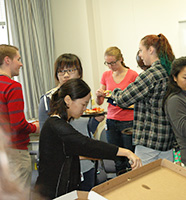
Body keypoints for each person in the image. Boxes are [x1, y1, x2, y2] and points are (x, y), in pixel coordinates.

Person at [34, 78, 141, 199]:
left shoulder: (57, 123)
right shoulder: (57, 126)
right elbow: (86, 144)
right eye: (83, 104)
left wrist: (94, 156)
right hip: (54, 193)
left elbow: (63, 154)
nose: (85, 108)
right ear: (68, 100)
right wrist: (126, 152)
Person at [99, 34, 176, 165]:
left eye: (141, 50)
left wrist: (112, 93)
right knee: (165, 180)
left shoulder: (150, 75)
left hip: (149, 140)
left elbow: (123, 99)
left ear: (150, 50)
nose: (140, 55)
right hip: (167, 139)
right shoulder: (169, 71)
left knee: (143, 181)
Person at [38, 53, 104, 191]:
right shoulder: (47, 99)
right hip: (63, 166)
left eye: (70, 70)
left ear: (79, 73)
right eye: (61, 71)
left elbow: (88, 130)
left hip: (86, 164)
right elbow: (46, 138)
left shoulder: (85, 96)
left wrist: (96, 121)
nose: (65, 75)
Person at [0, 44, 40, 193]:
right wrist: (35, 127)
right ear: (7, 60)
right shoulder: (13, 86)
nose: (21, 63)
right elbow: (18, 124)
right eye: (18, 59)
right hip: (15, 153)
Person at [96, 47, 138, 174]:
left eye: (113, 62)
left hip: (128, 121)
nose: (110, 66)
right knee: (116, 157)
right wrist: (99, 95)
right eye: (107, 63)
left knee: (130, 156)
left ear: (121, 59)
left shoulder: (132, 75)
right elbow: (100, 102)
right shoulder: (106, 75)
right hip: (111, 120)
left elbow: (138, 101)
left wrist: (123, 104)